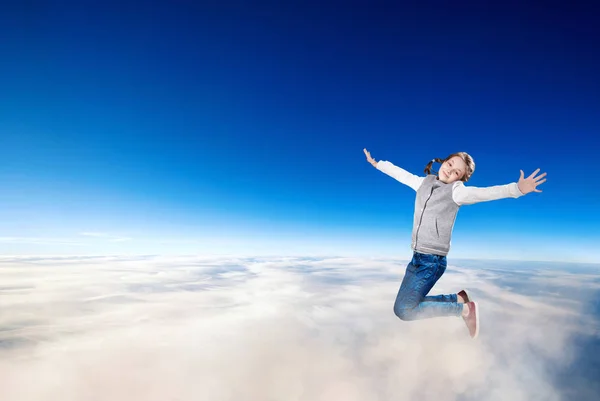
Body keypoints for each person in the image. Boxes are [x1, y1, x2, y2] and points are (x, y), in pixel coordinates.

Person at [363, 148, 547, 339]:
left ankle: (465, 310)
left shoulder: (456, 192)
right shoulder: (424, 183)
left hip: (431, 262)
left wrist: (516, 189)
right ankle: (458, 299)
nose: (450, 171)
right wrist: (378, 164)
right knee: (407, 304)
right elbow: (402, 175)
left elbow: (484, 193)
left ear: (460, 179)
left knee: (404, 310)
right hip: (417, 257)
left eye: (456, 172)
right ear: (443, 161)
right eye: (450, 164)